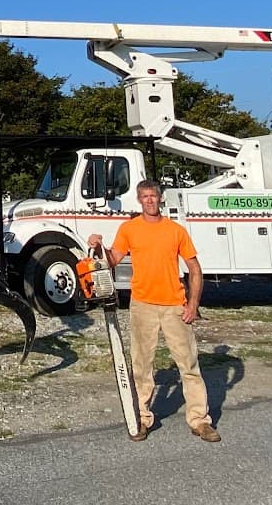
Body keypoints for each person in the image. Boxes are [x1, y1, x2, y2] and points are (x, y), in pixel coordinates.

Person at [87, 179, 220, 443]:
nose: (149, 200)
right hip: (143, 306)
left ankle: (200, 421)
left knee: (189, 366)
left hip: (174, 306)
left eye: (153, 196)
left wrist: (192, 305)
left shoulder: (175, 230)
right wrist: (97, 246)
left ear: (161, 198)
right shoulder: (130, 229)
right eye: (144, 196)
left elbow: (194, 268)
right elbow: (111, 260)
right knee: (141, 366)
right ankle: (142, 418)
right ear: (139, 200)